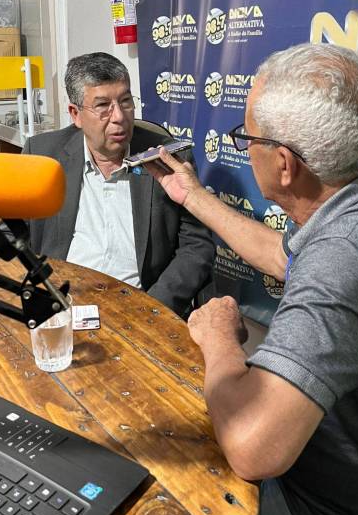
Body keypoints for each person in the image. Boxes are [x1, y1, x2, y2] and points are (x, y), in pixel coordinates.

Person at [146, 43, 358, 515]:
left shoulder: (345, 258)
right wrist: (192, 196)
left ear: (284, 164)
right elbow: (281, 256)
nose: (244, 149)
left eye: (247, 138)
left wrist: (219, 340)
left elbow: (254, 448)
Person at [22, 52, 214, 317]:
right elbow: (12, 233)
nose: (119, 117)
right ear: (76, 114)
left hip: (140, 308)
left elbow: (197, 246)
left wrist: (152, 309)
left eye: (125, 101)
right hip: (62, 303)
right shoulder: (42, 154)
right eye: (103, 106)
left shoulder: (167, 158)